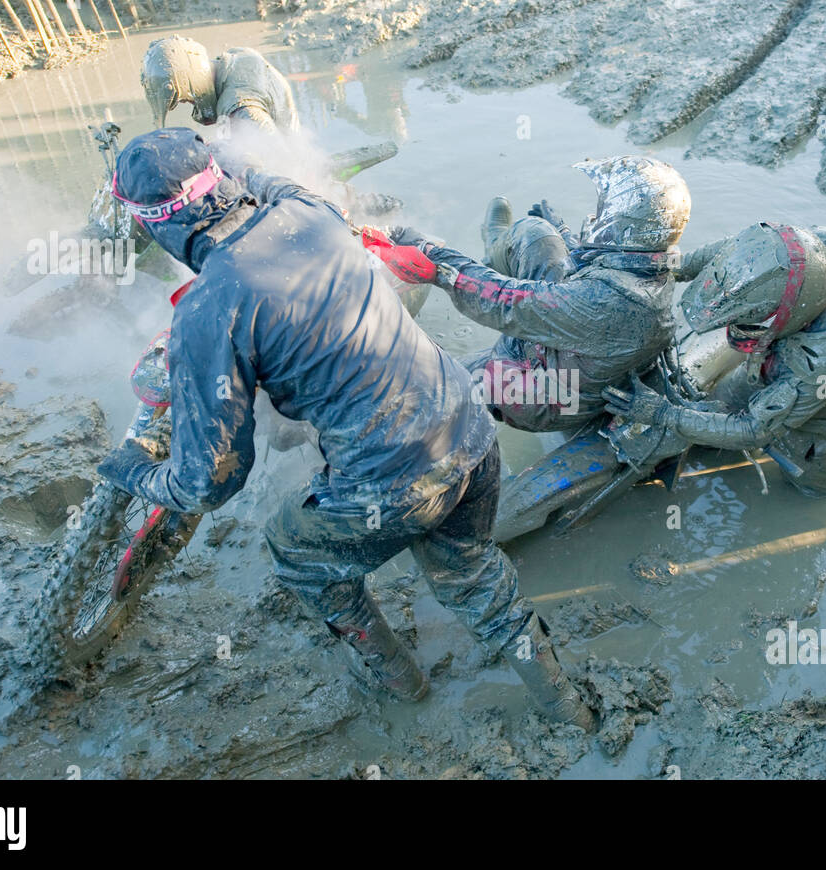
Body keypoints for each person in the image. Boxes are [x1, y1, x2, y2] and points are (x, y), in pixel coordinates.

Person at [96, 128, 595, 731]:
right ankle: (567, 709)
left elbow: (212, 482)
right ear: (220, 181)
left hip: (395, 485)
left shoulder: (207, 310)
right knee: (471, 572)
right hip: (468, 429)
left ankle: (397, 681)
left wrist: (138, 473)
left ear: (155, 225)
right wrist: (233, 156)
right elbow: (263, 177)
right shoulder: (306, 209)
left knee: (294, 546)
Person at [388, 156, 691, 432]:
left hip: (553, 397)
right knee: (536, 232)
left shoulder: (605, 302)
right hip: (578, 351)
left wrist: (433, 256)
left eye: (602, 211)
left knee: (427, 386)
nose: (595, 216)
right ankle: (494, 248)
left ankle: (452, 390)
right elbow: (597, 267)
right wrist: (561, 229)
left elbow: (503, 300)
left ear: (620, 224)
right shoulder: (650, 264)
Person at [603, 222, 826, 497]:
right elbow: (729, 254)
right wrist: (661, 268)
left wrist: (662, 414)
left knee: (815, 490)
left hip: (825, 425)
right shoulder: (794, 252)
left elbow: (753, 430)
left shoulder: (824, 360)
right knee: (709, 416)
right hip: (767, 368)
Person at [141, 36, 299, 134]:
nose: (190, 104)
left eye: (185, 99)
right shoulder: (238, 57)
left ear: (192, 82)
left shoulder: (239, 109)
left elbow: (276, 155)